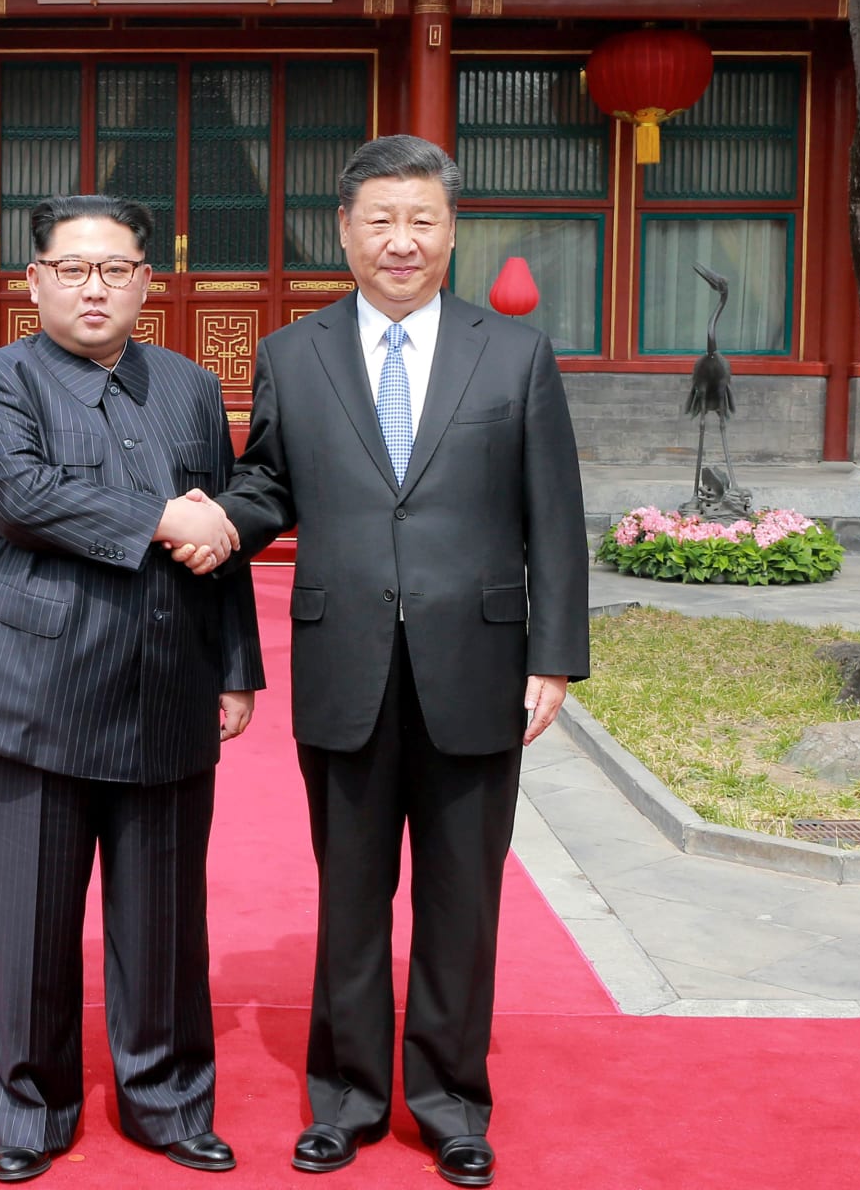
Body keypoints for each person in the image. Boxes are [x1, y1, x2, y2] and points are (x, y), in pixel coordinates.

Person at [182, 135, 589, 1188]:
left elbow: (555, 512)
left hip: (479, 662)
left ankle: (451, 1102)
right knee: (351, 896)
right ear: (345, 232)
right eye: (380, 220)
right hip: (345, 661)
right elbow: (271, 481)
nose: (400, 241)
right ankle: (348, 1098)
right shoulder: (293, 353)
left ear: (451, 231)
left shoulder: (515, 353)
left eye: (421, 220)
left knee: (463, 898)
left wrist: (556, 653)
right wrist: (218, 521)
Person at [0, 194, 264, 1184]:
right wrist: (167, 516)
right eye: (73, 269)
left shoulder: (191, 387)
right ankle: (31, 1110)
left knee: (165, 920)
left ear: (145, 282)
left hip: (169, 680)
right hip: (35, 691)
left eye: (116, 269)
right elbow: (24, 496)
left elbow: (222, 533)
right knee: (31, 922)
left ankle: (169, 1101)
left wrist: (236, 666)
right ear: (33, 280)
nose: (95, 288)